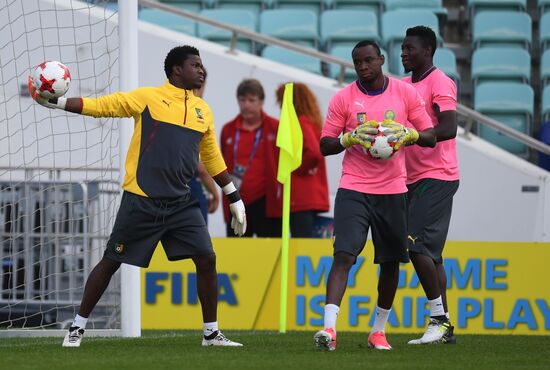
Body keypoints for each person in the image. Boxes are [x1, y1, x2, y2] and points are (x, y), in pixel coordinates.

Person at [28, 45, 246, 348]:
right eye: (195, 65)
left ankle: (211, 334)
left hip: (181, 202)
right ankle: (77, 328)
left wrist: (233, 196)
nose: (201, 70)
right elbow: (105, 105)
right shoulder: (147, 98)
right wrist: (60, 102)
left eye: (201, 65)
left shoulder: (203, 111)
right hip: (142, 198)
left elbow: (211, 156)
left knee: (207, 259)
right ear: (176, 70)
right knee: (111, 261)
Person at [313, 40, 436, 351]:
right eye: (358, 62)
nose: (363, 66)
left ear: (382, 59)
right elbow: (325, 145)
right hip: (354, 187)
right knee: (344, 255)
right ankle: (329, 328)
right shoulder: (344, 98)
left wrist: (410, 135)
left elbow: (432, 136)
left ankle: (378, 331)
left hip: (394, 189)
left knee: (391, 262)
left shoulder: (405, 93)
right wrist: (349, 137)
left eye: (369, 60)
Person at [401, 26, 459, 345]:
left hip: (438, 175)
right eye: (402, 47)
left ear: (428, 51)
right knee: (432, 255)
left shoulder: (440, 82)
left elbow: (449, 127)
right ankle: (444, 328)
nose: (403, 53)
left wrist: (415, 135)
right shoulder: (404, 85)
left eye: (410, 48)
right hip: (412, 177)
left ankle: (437, 319)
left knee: (415, 245)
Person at [220, 79, 280, 237]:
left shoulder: (275, 127)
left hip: (266, 202)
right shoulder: (228, 130)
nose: (246, 105)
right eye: (242, 100)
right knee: (237, 254)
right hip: (236, 200)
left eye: (251, 100)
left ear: (261, 102)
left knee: (269, 253)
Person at [268, 82, 330, 237]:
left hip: (301, 198)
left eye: (282, 102)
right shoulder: (310, 122)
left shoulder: (300, 122)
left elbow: (314, 153)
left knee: (301, 247)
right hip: (310, 196)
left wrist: (294, 167)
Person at [189, 67, 219, 223]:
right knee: (198, 245)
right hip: (190, 190)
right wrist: (215, 193)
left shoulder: (165, 108)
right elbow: (200, 167)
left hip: (162, 189)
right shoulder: (198, 113)